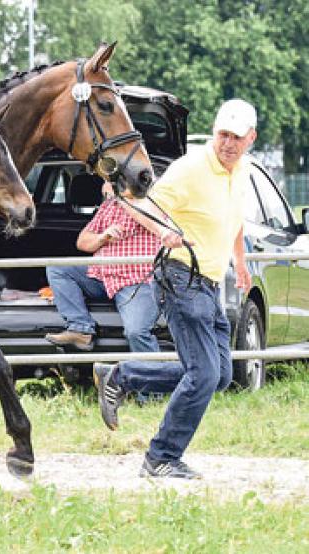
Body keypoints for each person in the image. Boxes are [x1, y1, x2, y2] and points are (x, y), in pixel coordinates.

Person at [93, 98, 255, 479]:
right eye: (223, 134)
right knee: (203, 375)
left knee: (220, 374)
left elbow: (235, 219)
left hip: (209, 284)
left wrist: (241, 262)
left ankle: (121, 376)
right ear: (214, 132)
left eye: (237, 137)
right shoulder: (191, 168)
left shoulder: (242, 170)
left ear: (251, 138)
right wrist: (163, 230)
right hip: (180, 277)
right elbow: (136, 202)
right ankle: (161, 457)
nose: (228, 143)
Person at [45, 179, 162, 353]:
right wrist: (102, 237)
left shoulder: (156, 202)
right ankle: (81, 329)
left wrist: (120, 197)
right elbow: (82, 242)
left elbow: (155, 224)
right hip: (101, 277)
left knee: (136, 332)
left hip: (137, 282)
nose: (108, 183)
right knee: (58, 268)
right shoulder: (109, 205)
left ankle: (152, 370)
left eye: (115, 179)